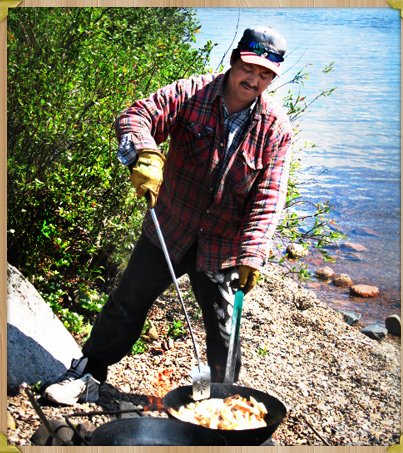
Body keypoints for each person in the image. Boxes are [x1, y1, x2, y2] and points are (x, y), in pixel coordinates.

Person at [43, 25, 293, 406]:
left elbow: (269, 196)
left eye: (265, 74)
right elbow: (137, 115)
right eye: (250, 68)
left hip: (222, 245)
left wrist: (252, 253)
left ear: (273, 77)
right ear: (234, 61)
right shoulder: (192, 92)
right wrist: (144, 153)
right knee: (127, 302)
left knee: (226, 331)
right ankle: (88, 373)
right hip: (169, 228)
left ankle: (220, 404)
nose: (254, 80)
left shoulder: (275, 126)